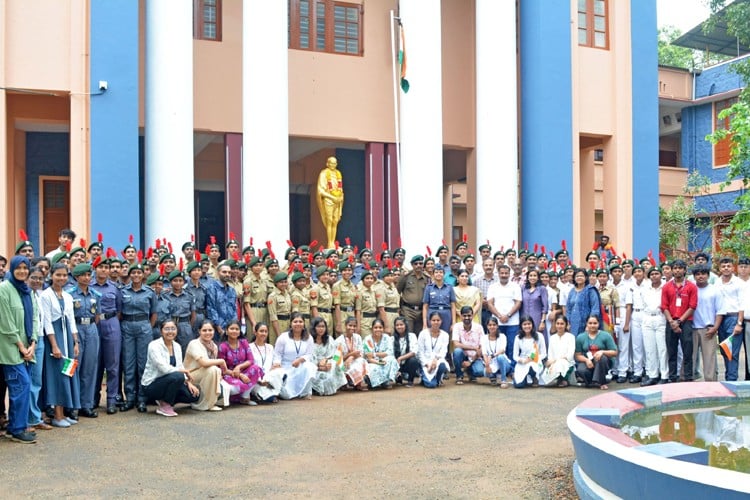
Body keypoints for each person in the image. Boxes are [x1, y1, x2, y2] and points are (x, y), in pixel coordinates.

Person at [0, 256, 40, 443]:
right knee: (21, 385)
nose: (23, 271)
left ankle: (17, 426)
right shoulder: (4, 290)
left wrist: (32, 343)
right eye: (19, 268)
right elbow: (6, 324)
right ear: (12, 269)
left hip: (27, 347)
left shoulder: (27, 291)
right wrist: (22, 347)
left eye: (26, 268)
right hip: (9, 348)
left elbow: (34, 318)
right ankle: (16, 428)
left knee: (22, 387)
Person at [40, 263, 81, 427]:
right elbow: (47, 323)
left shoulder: (68, 296)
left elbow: (72, 320)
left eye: (64, 275)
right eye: (58, 275)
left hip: (68, 339)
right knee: (57, 375)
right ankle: (57, 415)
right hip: (54, 339)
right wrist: (54, 346)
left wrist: (75, 342)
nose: (62, 278)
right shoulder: (45, 296)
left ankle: (64, 412)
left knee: (69, 372)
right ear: (51, 275)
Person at [141, 320, 200, 417]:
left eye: (173, 328)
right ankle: (165, 406)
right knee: (178, 376)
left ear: (177, 330)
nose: (170, 331)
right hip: (151, 385)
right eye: (167, 329)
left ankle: (164, 399)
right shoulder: (154, 345)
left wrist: (188, 383)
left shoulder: (177, 346)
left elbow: (180, 366)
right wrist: (183, 372)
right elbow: (163, 368)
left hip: (170, 380)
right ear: (161, 331)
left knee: (193, 395)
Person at [120, 263, 157, 412]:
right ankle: (130, 397)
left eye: (138, 273)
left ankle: (142, 398)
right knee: (128, 363)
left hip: (144, 326)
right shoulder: (123, 291)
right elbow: (120, 311)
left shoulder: (149, 292)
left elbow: (154, 313)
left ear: (143, 275)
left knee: (143, 363)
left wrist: (148, 327)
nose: (136, 275)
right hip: (127, 326)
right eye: (133, 273)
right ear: (130, 275)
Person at [67, 263, 101, 418]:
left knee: (90, 367)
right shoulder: (70, 294)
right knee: (73, 367)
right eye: (84, 275)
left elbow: (97, 316)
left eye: (89, 275)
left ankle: (86, 404)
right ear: (76, 277)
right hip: (76, 329)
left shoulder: (95, 294)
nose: (87, 278)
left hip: (91, 329)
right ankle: (71, 405)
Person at [90, 256, 123, 415]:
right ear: (94, 269)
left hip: (111, 323)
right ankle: (92, 399)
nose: (103, 270)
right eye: (100, 267)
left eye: (106, 267)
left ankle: (111, 399)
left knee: (113, 364)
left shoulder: (114, 288)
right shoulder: (88, 286)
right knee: (94, 364)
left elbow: (119, 309)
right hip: (93, 325)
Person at [661, 259, 697, 383]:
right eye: (675, 268)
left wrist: (679, 321)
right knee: (671, 351)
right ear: (671, 270)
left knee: (687, 351)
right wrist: (672, 322)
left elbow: (692, 307)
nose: (677, 270)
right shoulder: (666, 287)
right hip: (670, 321)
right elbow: (664, 306)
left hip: (686, 322)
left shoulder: (691, 286)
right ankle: (672, 377)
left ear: (685, 270)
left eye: (680, 268)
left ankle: (687, 377)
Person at [183, 321, 227, 411]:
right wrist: (221, 361)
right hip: (190, 376)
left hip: (204, 373)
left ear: (214, 331)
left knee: (216, 372)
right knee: (213, 370)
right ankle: (205, 405)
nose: (208, 333)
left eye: (210, 330)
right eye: (204, 330)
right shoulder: (194, 344)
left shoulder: (214, 346)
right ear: (199, 331)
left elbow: (210, 363)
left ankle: (212, 401)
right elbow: (204, 363)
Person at [26, 266, 50, 431]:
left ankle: (34, 417)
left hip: (40, 339)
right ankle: (25, 419)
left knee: (36, 380)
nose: (37, 281)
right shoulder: (24, 295)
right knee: (27, 381)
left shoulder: (39, 295)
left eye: (40, 278)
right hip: (28, 341)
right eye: (33, 277)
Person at [217, 319, 263, 405]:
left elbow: (251, 360)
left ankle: (245, 397)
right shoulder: (223, 347)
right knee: (237, 386)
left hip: (243, 371)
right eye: (232, 329)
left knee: (256, 369)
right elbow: (222, 369)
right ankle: (235, 397)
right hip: (229, 373)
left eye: (237, 329)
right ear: (226, 331)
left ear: (239, 332)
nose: (234, 331)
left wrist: (239, 367)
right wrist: (240, 375)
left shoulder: (244, 342)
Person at [272, 312, 317, 399]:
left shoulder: (309, 338)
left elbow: (309, 354)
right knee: (286, 396)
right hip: (286, 367)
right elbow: (277, 354)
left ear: (304, 324)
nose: (298, 324)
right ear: (291, 324)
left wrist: (300, 360)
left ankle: (305, 393)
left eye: (300, 321)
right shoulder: (283, 337)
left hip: (300, 367)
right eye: (295, 321)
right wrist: (277, 363)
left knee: (310, 366)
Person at [486, 264, 522, 370]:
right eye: (502, 273)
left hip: (513, 322)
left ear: (509, 274)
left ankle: (511, 369)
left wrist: (508, 315)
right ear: (498, 274)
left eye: (506, 273)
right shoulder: (493, 287)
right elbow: (490, 303)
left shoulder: (515, 286)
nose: (504, 275)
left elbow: (518, 302)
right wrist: (499, 316)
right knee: (498, 346)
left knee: (512, 346)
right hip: (497, 322)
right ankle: (498, 368)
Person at [715, 257, 745, 382]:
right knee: (724, 349)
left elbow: (742, 304)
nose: (726, 268)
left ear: (733, 268)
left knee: (732, 352)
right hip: (720, 319)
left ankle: (732, 380)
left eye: (728, 266)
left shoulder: (738, 283)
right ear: (720, 268)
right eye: (723, 266)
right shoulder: (716, 282)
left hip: (733, 318)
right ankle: (728, 378)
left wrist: (739, 323)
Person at [691, 265, 722, 382]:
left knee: (710, 360)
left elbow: (720, 311)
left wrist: (715, 327)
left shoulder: (714, 290)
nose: (700, 276)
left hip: (708, 329)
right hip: (692, 328)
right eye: (697, 274)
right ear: (694, 277)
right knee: (690, 359)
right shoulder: (691, 288)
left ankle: (711, 386)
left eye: (703, 274)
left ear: (708, 275)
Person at [640, 267, 669, 386]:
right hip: (647, 318)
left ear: (661, 275)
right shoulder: (645, 288)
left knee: (662, 349)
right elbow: (643, 303)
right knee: (649, 349)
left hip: (660, 317)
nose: (654, 276)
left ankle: (664, 375)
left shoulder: (666, 287)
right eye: (652, 274)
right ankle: (653, 375)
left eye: (657, 273)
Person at [575, 315, 618, 389]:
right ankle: (592, 380)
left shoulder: (606, 335)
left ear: (599, 324)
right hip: (588, 361)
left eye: (595, 323)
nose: (592, 325)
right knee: (581, 370)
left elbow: (615, 352)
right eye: (590, 323)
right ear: (586, 324)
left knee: (602, 358)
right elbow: (577, 355)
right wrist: (586, 360)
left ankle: (601, 382)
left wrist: (602, 352)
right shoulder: (580, 337)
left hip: (603, 361)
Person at [309, 317, 347, 396]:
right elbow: (309, 357)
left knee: (336, 358)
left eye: (323, 326)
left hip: (327, 364)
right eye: (318, 326)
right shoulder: (309, 340)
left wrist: (326, 360)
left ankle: (333, 384)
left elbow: (333, 353)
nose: (321, 329)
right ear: (313, 328)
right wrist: (319, 366)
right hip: (314, 366)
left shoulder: (329, 339)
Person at [249, 323, 283, 403]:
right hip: (256, 379)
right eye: (261, 331)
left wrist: (275, 365)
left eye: (265, 331)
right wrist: (259, 380)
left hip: (269, 379)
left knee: (281, 371)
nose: (264, 333)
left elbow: (275, 360)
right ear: (255, 332)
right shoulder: (249, 347)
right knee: (269, 399)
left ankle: (271, 391)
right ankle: (256, 393)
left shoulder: (270, 347)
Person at [334, 316, 369, 391]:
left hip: (354, 362)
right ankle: (345, 381)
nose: (352, 328)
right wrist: (350, 355)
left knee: (362, 361)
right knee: (340, 366)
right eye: (350, 325)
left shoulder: (358, 337)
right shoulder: (338, 341)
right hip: (343, 365)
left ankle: (357, 383)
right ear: (345, 326)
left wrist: (352, 357)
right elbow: (336, 359)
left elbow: (361, 353)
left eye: (354, 326)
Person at [540, 315, 576, 387]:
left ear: (566, 325)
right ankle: (558, 380)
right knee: (546, 376)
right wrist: (551, 362)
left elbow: (570, 355)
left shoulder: (571, 337)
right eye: (558, 323)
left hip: (567, 363)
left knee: (561, 364)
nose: (559, 326)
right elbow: (550, 355)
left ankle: (561, 380)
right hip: (554, 363)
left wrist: (557, 360)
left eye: (562, 324)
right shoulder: (552, 338)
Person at [205, 261, 238, 341]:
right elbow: (211, 308)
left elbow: (234, 308)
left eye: (229, 272)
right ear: (218, 273)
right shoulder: (212, 288)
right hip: (217, 328)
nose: (227, 274)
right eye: (224, 272)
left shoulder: (232, 290)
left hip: (230, 328)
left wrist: (234, 326)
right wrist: (218, 327)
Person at [316, 156, 344, 249]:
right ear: (327, 164)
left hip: (337, 200)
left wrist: (340, 198)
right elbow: (321, 191)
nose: (333, 165)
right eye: (331, 163)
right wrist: (332, 197)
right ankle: (330, 243)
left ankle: (333, 241)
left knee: (335, 221)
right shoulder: (324, 174)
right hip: (328, 199)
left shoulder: (338, 174)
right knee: (329, 221)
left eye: (335, 163)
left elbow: (340, 189)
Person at [363, 318, 399, 389]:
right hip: (372, 362)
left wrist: (374, 354)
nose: (378, 329)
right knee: (373, 367)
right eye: (375, 328)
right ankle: (373, 381)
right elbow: (368, 358)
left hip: (384, 362)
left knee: (391, 359)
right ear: (372, 329)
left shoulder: (387, 338)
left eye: (380, 327)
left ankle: (385, 381)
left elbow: (389, 352)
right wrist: (378, 362)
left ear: (383, 328)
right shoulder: (367, 340)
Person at [416, 312, 450, 388]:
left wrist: (435, 360)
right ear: (429, 321)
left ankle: (438, 379)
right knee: (431, 385)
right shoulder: (423, 334)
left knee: (442, 365)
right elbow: (420, 352)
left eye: (438, 320)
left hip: (437, 361)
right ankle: (423, 376)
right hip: (425, 362)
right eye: (433, 320)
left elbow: (443, 352)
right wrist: (426, 364)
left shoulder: (445, 335)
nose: (436, 322)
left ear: (441, 321)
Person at [451, 306, 483, 384]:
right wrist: (473, 348)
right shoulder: (457, 327)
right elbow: (456, 344)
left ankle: (470, 372)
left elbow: (481, 347)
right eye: (464, 316)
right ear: (461, 316)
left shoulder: (479, 327)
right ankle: (459, 376)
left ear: (472, 316)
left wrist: (471, 361)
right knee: (457, 351)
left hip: (475, 357)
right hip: (463, 356)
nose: (467, 318)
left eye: (469, 315)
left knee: (480, 372)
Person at [397, 255, 429, 334]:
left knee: (420, 335)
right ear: (412, 265)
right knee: (409, 334)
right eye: (416, 263)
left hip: (421, 311)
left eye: (420, 263)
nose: (418, 265)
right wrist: (399, 308)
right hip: (408, 310)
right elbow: (397, 292)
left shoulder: (427, 278)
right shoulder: (405, 277)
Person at [564, 268, 601, 336]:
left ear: (586, 277)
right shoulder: (572, 291)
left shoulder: (590, 290)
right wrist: (567, 323)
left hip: (586, 323)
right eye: (577, 276)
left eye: (581, 276)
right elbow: (568, 309)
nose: (579, 278)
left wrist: (589, 325)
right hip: (573, 323)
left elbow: (595, 308)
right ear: (574, 278)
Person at [512, 316, 547, 388]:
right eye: (524, 324)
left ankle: (534, 377)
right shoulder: (518, 338)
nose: (527, 326)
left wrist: (533, 358)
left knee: (532, 366)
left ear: (532, 325)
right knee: (518, 385)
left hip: (535, 361)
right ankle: (522, 378)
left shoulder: (539, 336)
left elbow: (544, 354)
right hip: (523, 361)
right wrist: (522, 360)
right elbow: (515, 356)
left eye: (529, 324)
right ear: (521, 326)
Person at [479, 317, 512, 388]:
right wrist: (487, 365)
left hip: (503, 362)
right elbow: (484, 352)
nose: (492, 327)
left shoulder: (502, 336)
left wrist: (493, 355)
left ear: (497, 326)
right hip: (491, 362)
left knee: (500, 357)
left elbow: (503, 350)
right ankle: (493, 377)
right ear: (487, 326)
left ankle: (503, 379)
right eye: (490, 325)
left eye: (494, 325)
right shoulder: (484, 338)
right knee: (485, 372)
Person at [521, 269, 549, 342]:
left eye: (534, 276)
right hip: (524, 318)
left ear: (538, 277)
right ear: (527, 277)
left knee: (537, 339)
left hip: (537, 319)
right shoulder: (523, 288)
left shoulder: (542, 289)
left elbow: (545, 306)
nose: (532, 278)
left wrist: (542, 321)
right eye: (530, 276)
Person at [392, 316, 420, 387]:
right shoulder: (392, 338)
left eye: (401, 325)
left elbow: (414, 351)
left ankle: (410, 380)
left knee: (413, 360)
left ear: (405, 325)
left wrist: (400, 358)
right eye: (397, 325)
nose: (399, 327)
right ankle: (398, 377)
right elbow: (390, 353)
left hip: (407, 363)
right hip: (396, 363)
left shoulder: (412, 336)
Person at [267, 271, 292, 344]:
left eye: (285, 282)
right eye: (281, 282)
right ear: (276, 283)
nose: (284, 284)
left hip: (288, 323)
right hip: (278, 325)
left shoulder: (287, 294)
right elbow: (273, 316)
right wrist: (278, 334)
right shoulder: (272, 296)